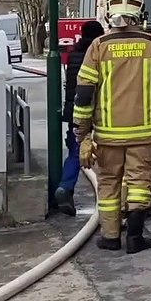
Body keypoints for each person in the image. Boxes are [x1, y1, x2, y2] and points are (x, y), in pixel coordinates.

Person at [72, 0, 151, 253]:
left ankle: (110, 237)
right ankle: (134, 237)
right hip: (143, 132)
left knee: (109, 184)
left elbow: (84, 95)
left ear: (109, 14)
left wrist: (82, 134)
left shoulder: (98, 47)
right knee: (139, 182)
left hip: (107, 134)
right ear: (139, 13)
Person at [53, 19, 106, 217]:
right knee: (110, 153)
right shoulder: (98, 54)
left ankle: (65, 188)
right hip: (97, 110)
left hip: (73, 111)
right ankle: (114, 197)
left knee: (76, 152)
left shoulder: (73, 53)